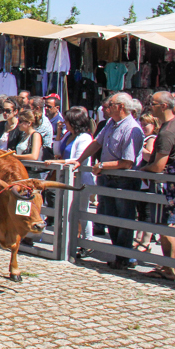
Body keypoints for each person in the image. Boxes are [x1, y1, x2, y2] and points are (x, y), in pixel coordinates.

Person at [74, 92, 144, 270]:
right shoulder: (110, 124)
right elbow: (97, 143)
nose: (106, 108)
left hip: (123, 180)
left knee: (124, 219)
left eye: (110, 105)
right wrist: (80, 160)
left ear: (120, 106)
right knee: (110, 218)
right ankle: (119, 254)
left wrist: (104, 165)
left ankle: (124, 257)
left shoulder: (131, 128)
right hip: (107, 178)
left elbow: (127, 162)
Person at [141, 91, 175, 280]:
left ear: (163, 106)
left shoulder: (168, 131)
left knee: (165, 226)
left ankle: (170, 268)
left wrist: (144, 169)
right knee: (171, 225)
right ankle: (171, 266)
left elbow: (159, 165)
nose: (149, 106)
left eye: (152, 103)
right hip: (172, 184)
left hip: (165, 185)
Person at [47, 107, 96, 256]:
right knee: (66, 211)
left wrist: (59, 162)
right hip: (66, 178)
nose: (64, 123)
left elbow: (78, 159)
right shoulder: (68, 135)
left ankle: (87, 242)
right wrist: (59, 135)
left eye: (67, 121)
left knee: (82, 211)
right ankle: (70, 240)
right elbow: (57, 151)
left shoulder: (85, 138)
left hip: (79, 180)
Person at [133, 113, 160, 254]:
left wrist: (138, 145)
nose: (143, 127)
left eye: (146, 125)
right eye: (142, 124)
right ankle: (138, 238)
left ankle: (146, 241)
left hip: (147, 180)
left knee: (147, 212)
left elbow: (149, 155)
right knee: (141, 211)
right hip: (141, 180)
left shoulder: (152, 138)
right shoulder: (144, 138)